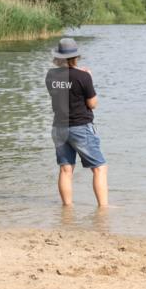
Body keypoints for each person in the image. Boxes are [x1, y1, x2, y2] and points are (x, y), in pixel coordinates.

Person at [44, 38, 108, 207]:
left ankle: (68, 207)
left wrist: (81, 74)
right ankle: (103, 207)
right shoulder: (84, 76)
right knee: (99, 168)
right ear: (76, 56)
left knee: (66, 169)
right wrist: (89, 78)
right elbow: (92, 104)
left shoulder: (50, 75)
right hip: (80, 127)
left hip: (59, 127)